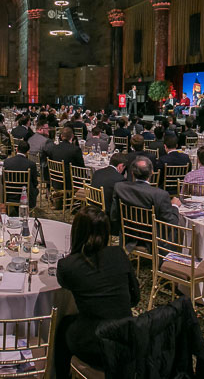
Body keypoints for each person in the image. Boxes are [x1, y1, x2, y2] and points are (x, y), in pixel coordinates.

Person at [55, 207, 140, 377]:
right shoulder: (119, 254)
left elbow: (65, 284)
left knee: (62, 325)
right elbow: (135, 298)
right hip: (127, 338)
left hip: (96, 346)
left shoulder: (68, 266)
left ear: (76, 232)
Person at [112, 156, 180, 227]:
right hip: (152, 237)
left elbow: (114, 216)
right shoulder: (161, 195)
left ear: (132, 173)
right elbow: (171, 224)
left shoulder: (119, 187)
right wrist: (175, 206)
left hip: (127, 234)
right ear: (152, 173)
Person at [90, 153, 127, 232]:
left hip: (92, 206)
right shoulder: (120, 179)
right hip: (106, 213)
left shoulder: (97, 172)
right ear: (120, 166)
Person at [3, 140, 39, 208]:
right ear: (27, 151)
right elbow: (35, 183)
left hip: (10, 194)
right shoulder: (31, 164)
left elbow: (3, 181)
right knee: (35, 189)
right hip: (26, 195)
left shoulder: (7, 162)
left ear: (16, 149)